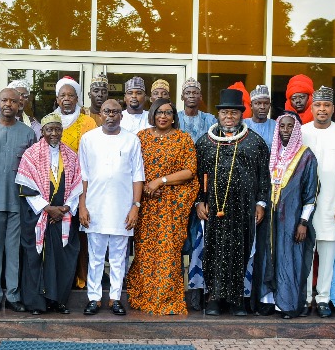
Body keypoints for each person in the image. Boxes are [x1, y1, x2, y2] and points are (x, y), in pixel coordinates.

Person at [195, 88, 270, 316]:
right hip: (213, 209)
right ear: (218, 115)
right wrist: (199, 201)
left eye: (234, 113)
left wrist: (261, 203)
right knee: (213, 252)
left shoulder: (255, 143)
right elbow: (196, 175)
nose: (229, 117)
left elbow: (264, 177)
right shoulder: (205, 142)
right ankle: (215, 298)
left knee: (242, 252)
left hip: (243, 210)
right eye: (225, 113)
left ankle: (238, 299)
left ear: (241, 115)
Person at [127, 99, 199, 315]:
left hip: (171, 207)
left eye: (168, 112)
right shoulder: (141, 138)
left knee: (168, 251)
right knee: (145, 251)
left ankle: (166, 298)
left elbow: (189, 172)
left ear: (174, 116)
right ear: (152, 114)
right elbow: (133, 169)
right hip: (146, 206)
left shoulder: (183, 139)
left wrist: (160, 181)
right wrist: (147, 189)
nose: (164, 116)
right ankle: (143, 296)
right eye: (159, 112)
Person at [78, 99, 145, 315]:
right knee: (95, 257)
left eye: (115, 112)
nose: (111, 116)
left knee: (118, 257)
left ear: (121, 116)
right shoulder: (88, 139)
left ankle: (115, 297)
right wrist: (82, 206)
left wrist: (135, 206)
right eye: (107, 111)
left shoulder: (132, 140)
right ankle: (94, 297)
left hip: (122, 209)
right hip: (94, 207)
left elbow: (138, 176)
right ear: (99, 115)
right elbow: (83, 176)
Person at [251, 110, 318, 318]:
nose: (286, 130)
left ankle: (286, 305)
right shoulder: (273, 152)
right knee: (267, 257)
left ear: (297, 129)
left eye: (290, 126)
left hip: (292, 219)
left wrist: (303, 222)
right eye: (282, 126)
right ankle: (268, 302)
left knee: (288, 259)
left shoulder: (306, 156)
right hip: (270, 219)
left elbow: (311, 193)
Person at [16, 112, 84, 315]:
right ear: (42, 132)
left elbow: (78, 185)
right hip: (39, 216)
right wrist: (47, 208)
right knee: (36, 260)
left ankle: (58, 301)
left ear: (62, 131)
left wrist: (64, 208)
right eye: (49, 129)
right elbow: (25, 185)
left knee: (63, 260)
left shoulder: (71, 155)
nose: (54, 133)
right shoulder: (31, 154)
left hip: (63, 217)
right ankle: (36, 304)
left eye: (57, 129)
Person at [0, 87, 37, 312]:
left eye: (13, 101)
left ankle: (12, 295)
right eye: (4, 100)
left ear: (19, 104)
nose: (8, 105)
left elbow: (34, 170)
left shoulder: (27, 133)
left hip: (18, 201)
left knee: (13, 251)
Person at [300, 86, 335, 318]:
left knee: (327, 254)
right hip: (304, 206)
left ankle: (323, 298)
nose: (322, 109)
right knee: (304, 254)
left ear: (333, 109)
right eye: (318, 105)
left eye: (326, 105)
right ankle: (303, 299)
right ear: (311, 108)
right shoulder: (301, 132)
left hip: (332, 205)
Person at [53, 77, 97, 152]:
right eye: (63, 95)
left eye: (70, 95)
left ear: (77, 99)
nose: (66, 98)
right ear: (57, 99)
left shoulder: (89, 122)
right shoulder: (50, 121)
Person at [177, 77, 216, 142]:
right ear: (182, 97)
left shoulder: (210, 119)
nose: (191, 96)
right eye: (187, 93)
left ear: (200, 97)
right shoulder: (175, 118)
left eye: (195, 93)